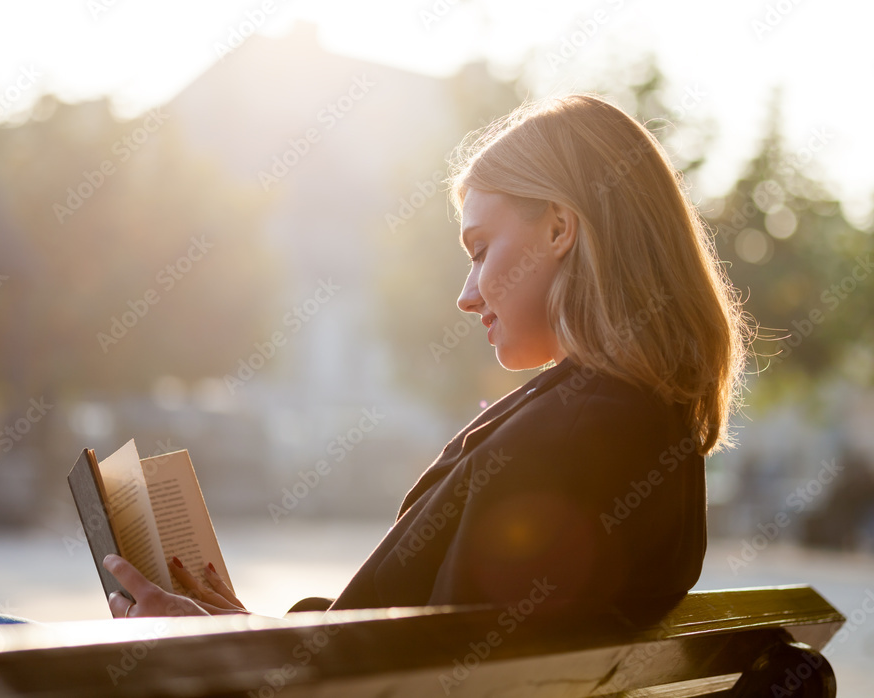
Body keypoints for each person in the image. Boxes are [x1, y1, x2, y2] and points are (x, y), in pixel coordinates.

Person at [104, 93, 748, 622]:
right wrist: (247, 637)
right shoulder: (646, 428)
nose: (466, 297)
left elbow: (443, 677)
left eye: (479, 249)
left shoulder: (569, 437)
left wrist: (215, 656)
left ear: (559, 228)